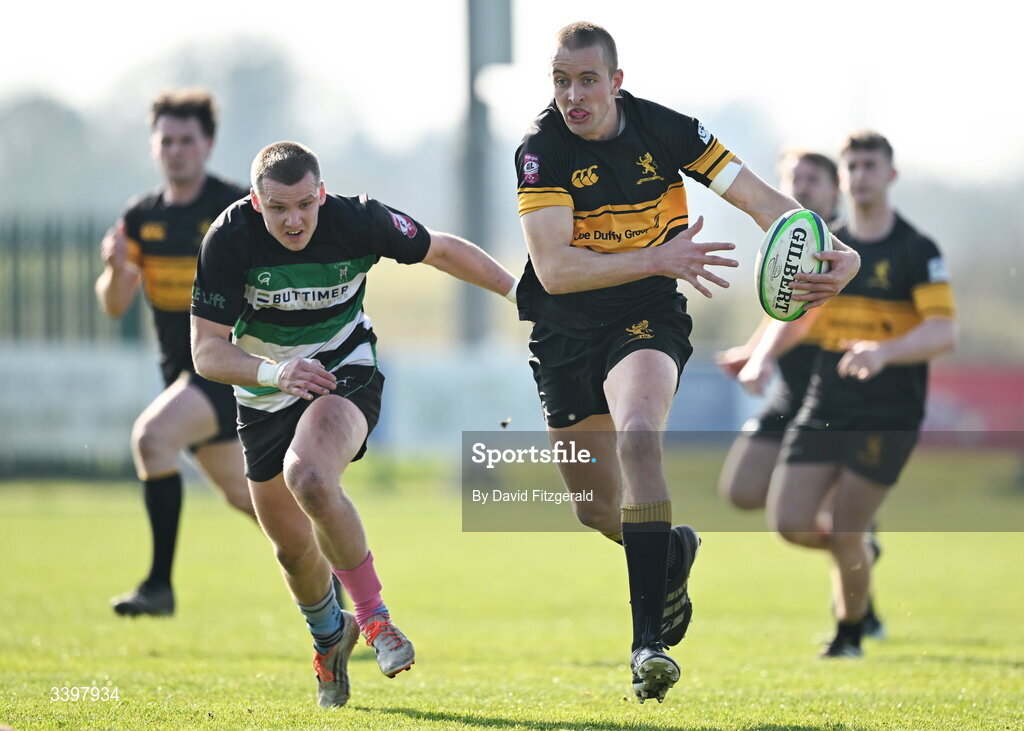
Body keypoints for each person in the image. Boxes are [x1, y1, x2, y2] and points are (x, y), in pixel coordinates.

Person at [514, 22, 860, 702]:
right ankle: (670, 551)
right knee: (594, 509)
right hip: (563, 329)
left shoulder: (672, 131)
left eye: (587, 80)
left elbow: (765, 204)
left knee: (640, 436)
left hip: (646, 313)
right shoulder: (540, 150)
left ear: (617, 81)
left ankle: (647, 645)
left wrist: (833, 247)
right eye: (561, 81)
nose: (573, 96)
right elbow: (554, 270)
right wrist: (658, 255)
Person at [190, 141, 517, 708]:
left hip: (344, 371)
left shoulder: (359, 220)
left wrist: (520, 291)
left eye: (304, 205)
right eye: (277, 209)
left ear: (321, 194)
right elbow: (206, 352)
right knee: (292, 551)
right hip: (266, 392)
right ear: (255, 201)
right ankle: (328, 635)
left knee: (311, 476)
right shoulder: (229, 237)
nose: (293, 220)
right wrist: (275, 371)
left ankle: (375, 620)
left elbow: (439, 250)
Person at [740, 131, 957, 658]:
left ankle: (849, 633)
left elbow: (943, 332)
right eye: (852, 167)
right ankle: (860, 552)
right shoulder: (822, 244)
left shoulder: (916, 249)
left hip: (889, 411)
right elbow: (798, 316)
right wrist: (761, 354)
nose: (860, 176)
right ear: (843, 178)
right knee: (790, 523)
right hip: (826, 404)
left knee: (845, 527)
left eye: (869, 166)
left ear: (890, 175)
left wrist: (883, 352)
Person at [96, 89, 256, 617]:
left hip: (227, 369)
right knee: (250, 498)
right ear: (153, 146)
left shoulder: (235, 210)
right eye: (166, 140)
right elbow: (115, 305)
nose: (176, 150)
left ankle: (158, 588)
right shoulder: (141, 217)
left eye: (187, 140)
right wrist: (118, 269)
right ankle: (335, 584)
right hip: (180, 375)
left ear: (208, 144)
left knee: (152, 437)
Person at [714, 152, 886, 638]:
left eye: (813, 179)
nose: (802, 187)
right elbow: (782, 310)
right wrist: (750, 351)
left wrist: (762, 356)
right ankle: (859, 548)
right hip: (790, 394)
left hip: (835, 402)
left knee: (825, 517)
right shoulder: (786, 238)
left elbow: (808, 314)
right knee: (741, 491)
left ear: (836, 190)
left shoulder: (847, 248)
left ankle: (858, 614)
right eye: (793, 179)